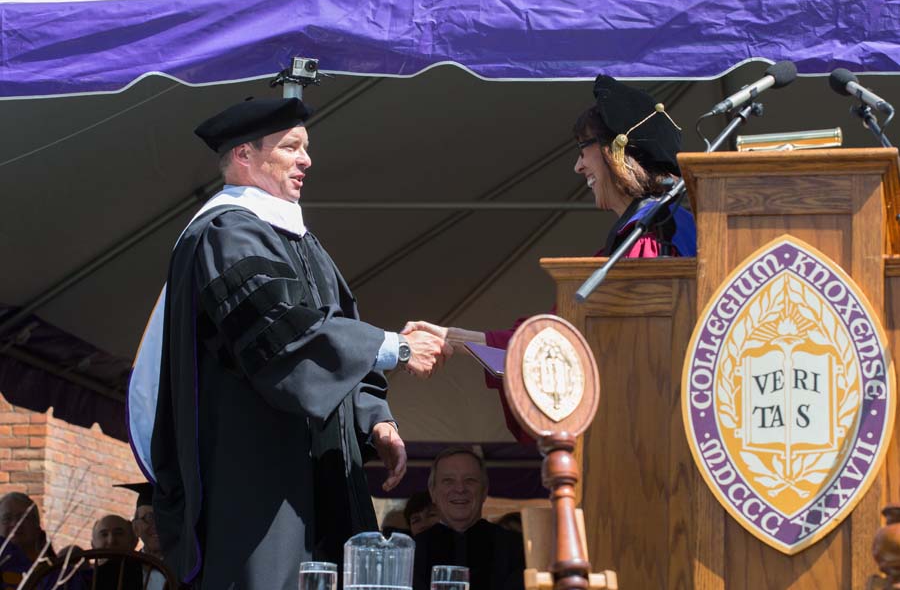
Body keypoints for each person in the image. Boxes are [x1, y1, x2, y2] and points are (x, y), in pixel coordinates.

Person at [132, 97, 449, 590]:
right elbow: (282, 335)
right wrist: (395, 348)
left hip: (318, 473)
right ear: (244, 156)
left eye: (305, 148)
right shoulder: (225, 232)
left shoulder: (298, 239)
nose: (307, 161)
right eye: (291, 147)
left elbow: (338, 324)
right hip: (257, 477)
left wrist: (375, 417)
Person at [402, 75, 697, 442]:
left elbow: (578, 348)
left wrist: (463, 340)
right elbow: (564, 335)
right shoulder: (632, 241)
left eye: (583, 148)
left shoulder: (655, 242)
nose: (577, 166)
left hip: (646, 438)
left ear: (615, 149)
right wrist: (458, 338)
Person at [412, 447, 524, 590]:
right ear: (433, 492)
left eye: (470, 480)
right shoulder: (411, 553)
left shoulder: (514, 549)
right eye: (448, 480)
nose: (460, 488)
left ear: (484, 491)